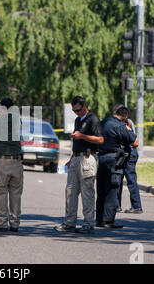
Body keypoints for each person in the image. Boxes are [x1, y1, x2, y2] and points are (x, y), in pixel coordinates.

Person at [54, 96, 104, 234]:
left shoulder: (93, 119)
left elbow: (100, 139)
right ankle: (70, 223)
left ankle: (88, 224)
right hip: (76, 158)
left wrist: (82, 136)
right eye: (74, 111)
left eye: (78, 110)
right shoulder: (77, 120)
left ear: (84, 106)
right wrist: (71, 158)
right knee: (70, 192)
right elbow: (78, 142)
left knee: (87, 193)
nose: (76, 113)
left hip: (88, 158)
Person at [96, 106, 138, 229]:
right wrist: (129, 127)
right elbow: (135, 142)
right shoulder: (121, 126)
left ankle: (99, 219)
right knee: (112, 191)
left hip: (101, 158)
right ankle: (108, 220)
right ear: (125, 116)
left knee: (101, 191)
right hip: (114, 161)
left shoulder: (103, 122)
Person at [0, 98, 23, 232]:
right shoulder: (17, 119)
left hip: (2, 161)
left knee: (1, 192)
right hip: (17, 161)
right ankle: (15, 223)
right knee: (16, 192)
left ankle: (2, 222)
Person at [111, 104, 143, 214]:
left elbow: (133, 140)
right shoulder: (122, 123)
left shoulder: (127, 123)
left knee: (131, 180)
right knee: (118, 180)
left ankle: (136, 206)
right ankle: (116, 205)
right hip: (124, 153)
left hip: (129, 153)